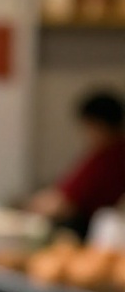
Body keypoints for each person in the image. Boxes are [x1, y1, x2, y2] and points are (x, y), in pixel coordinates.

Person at [29, 90, 125, 237]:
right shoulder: (108, 153)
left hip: (86, 233)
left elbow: (63, 205)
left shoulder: (106, 158)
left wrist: (29, 206)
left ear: (96, 124)